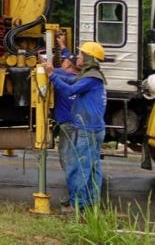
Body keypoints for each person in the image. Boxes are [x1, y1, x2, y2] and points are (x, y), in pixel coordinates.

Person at [45, 41, 107, 211]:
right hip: (96, 129)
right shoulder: (92, 76)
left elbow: (70, 89)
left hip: (87, 129)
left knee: (78, 168)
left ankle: (77, 205)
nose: (78, 57)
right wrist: (55, 74)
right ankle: (90, 204)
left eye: (81, 55)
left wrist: (51, 76)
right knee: (93, 168)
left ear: (88, 59)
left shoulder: (91, 78)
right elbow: (70, 79)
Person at [52, 32, 79, 207]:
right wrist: (62, 45)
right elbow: (70, 58)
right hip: (75, 125)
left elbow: (48, 69)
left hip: (67, 126)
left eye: (64, 62)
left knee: (68, 161)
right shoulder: (78, 77)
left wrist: (42, 62)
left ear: (69, 67)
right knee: (74, 160)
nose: (62, 63)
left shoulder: (63, 76)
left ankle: (74, 198)